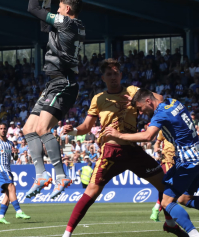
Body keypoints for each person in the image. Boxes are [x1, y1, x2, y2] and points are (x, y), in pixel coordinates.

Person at [61, 59, 183, 237]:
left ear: (121, 75)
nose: (113, 77)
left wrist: (135, 102)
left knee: (164, 185)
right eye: (109, 74)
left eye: (115, 73)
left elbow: (159, 100)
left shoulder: (133, 91)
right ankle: (67, 234)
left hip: (133, 150)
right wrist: (72, 131)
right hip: (112, 152)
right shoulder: (99, 99)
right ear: (103, 78)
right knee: (91, 192)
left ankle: (170, 224)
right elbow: (86, 127)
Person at [105, 88, 199, 237]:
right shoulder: (173, 102)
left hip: (188, 160)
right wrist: (136, 99)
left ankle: (194, 235)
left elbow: (148, 137)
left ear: (148, 101)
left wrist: (119, 135)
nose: (141, 112)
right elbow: (157, 96)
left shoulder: (160, 113)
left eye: (140, 108)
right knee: (184, 198)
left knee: (166, 202)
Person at [24, 0, 85, 200]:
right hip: (54, 82)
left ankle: (60, 175)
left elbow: (33, 10)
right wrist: (48, 0)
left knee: (42, 130)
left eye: (59, 7)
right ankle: (41, 175)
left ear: (67, 9)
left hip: (64, 82)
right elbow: (44, 25)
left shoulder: (67, 22)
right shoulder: (70, 24)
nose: (57, 10)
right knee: (28, 129)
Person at [0, 123, 30, 224]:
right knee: (12, 187)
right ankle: (18, 211)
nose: (3, 130)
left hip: (8, 169)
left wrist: (16, 153)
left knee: (9, 194)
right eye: (1, 129)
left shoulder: (10, 143)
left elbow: (15, 158)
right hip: (0, 169)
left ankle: (0, 216)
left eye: (4, 129)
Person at [150, 130, 176, 222]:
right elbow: (157, 143)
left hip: (177, 162)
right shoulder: (163, 130)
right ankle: (158, 210)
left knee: (172, 191)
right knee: (165, 187)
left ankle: (157, 208)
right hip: (166, 161)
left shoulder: (180, 128)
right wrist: (156, 148)